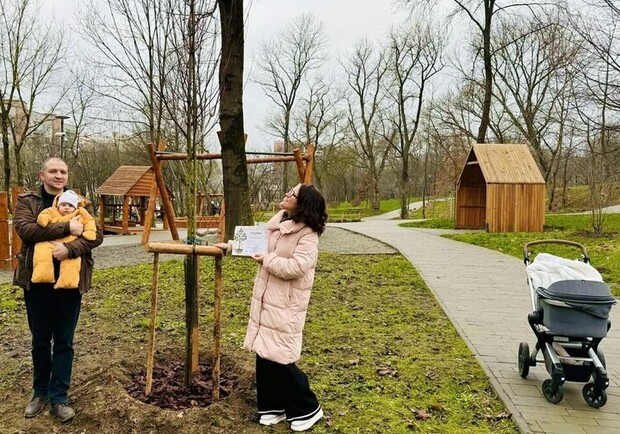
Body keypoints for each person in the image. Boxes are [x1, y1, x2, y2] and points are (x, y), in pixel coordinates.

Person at [219, 183, 328, 432]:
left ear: (302, 204)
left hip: (286, 303)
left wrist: (267, 260)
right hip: (267, 298)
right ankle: (272, 407)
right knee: (264, 352)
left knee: (280, 356)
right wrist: (231, 247)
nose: (287, 194)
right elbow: (258, 247)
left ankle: (307, 408)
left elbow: (297, 267)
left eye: (292, 193)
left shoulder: (307, 234)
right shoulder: (277, 224)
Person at [13, 158, 103, 423]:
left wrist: (70, 249)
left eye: (63, 171)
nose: (59, 175)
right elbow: (26, 230)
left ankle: (59, 397)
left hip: (70, 282)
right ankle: (39, 393)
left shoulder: (80, 202)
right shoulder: (28, 202)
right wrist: (66, 227)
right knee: (40, 340)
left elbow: (95, 235)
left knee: (64, 341)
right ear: (42, 175)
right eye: (53, 171)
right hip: (36, 282)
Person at [31, 189, 97, 289]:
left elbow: (90, 221)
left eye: (70, 205)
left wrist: (89, 232)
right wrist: (44, 220)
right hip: (50, 240)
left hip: (71, 241)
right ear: (58, 205)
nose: (66, 207)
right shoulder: (52, 211)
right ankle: (42, 276)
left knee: (71, 263)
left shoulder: (80, 213)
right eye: (63, 205)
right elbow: (44, 215)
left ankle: (68, 282)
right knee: (41, 251)